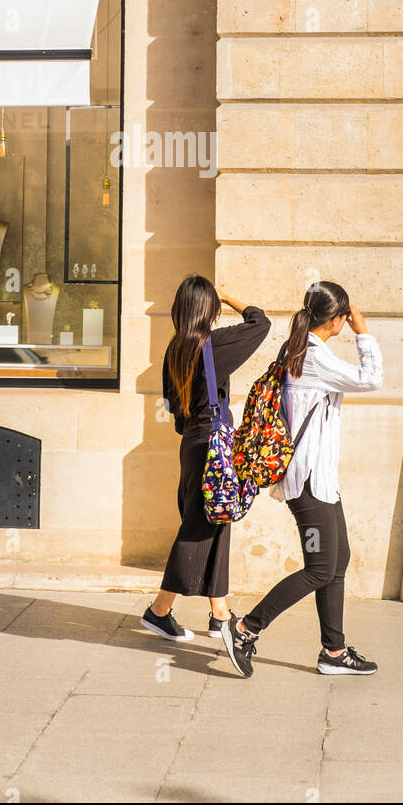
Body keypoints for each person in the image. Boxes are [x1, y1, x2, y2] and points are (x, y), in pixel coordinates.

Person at [219, 280, 383, 677]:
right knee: (321, 568)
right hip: (309, 482)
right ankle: (244, 629)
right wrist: (364, 334)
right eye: (346, 315)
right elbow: (371, 378)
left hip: (319, 478)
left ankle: (334, 651)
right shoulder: (313, 356)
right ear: (338, 318)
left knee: (336, 560)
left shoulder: (303, 348)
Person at [141, 275, 270, 642]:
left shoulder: (174, 350)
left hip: (194, 444)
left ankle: (219, 613)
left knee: (216, 520)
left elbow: (172, 408)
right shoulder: (214, 344)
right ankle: (158, 611)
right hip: (214, 444)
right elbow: (260, 323)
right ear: (208, 308)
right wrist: (228, 296)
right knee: (199, 527)